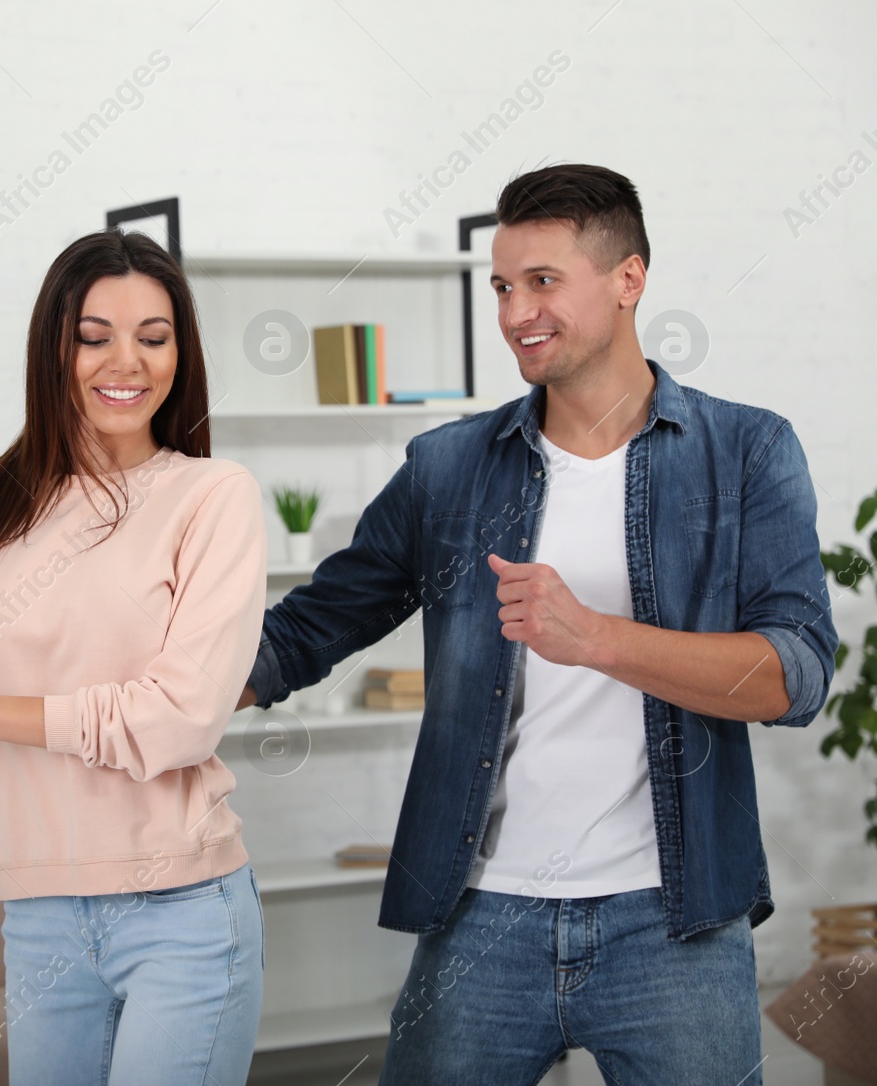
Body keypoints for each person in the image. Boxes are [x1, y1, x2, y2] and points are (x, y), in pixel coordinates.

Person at [239, 163, 836, 1084]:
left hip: (676, 922)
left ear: (629, 280)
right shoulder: (448, 467)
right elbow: (306, 632)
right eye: (504, 287)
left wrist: (593, 635)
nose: (518, 313)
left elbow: (794, 677)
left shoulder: (747, 451)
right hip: (481, 919)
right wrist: (135, 696)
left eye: (544, 282)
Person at [0, 229, 267, 1085]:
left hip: (180, 912)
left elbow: (178, 721)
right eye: (94, 336)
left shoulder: (210, 497)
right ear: (53, 349)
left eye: (155, 337)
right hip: (36, 916)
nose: (129, 362)